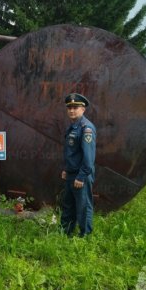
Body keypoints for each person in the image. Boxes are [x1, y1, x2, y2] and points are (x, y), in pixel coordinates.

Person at [60, 93, 96, 237]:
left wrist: (81, 177)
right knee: (68, 205)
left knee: (83, 207)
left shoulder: (86, 128)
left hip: (81, 176)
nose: (72, 110)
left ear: (83, 109)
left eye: (75, 107)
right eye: (69, 108)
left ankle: (85, 236)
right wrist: (66, 170)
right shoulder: (73, 127)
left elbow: (88, 158)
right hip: (71, 174)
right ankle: (65, 232)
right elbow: (72, 153)